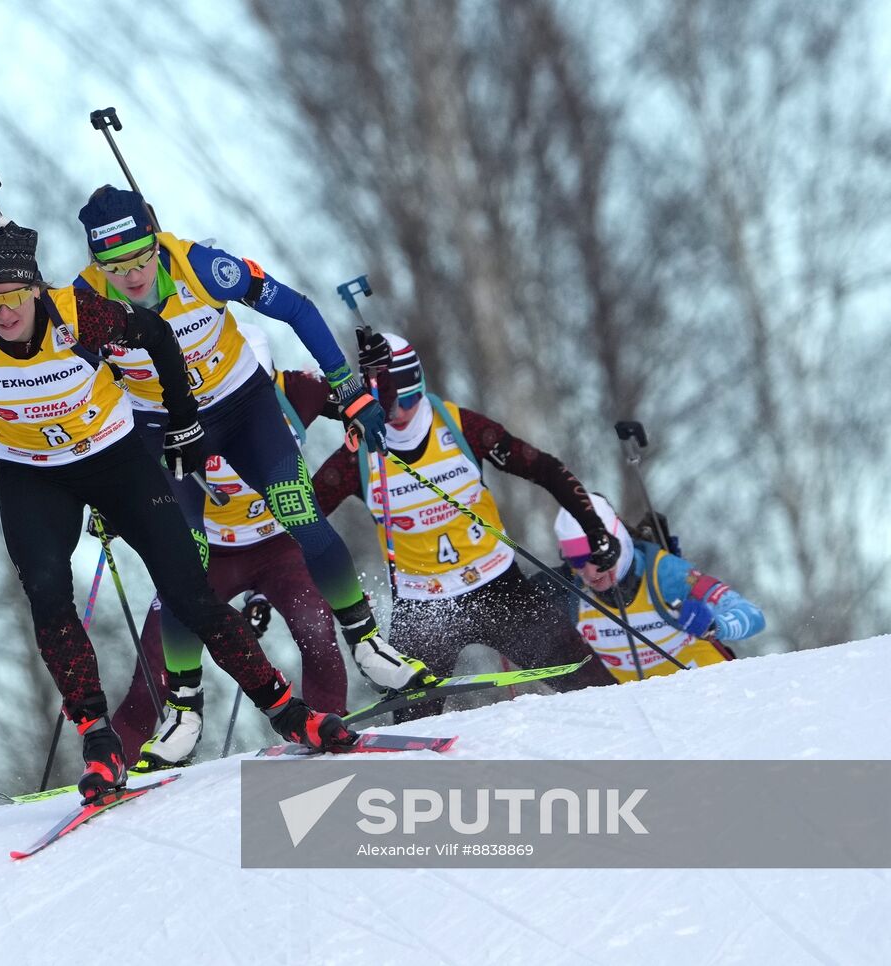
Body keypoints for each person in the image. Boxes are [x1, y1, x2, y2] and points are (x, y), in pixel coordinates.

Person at [0, 220, 354, 803]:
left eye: (14, 297)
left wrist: (182, 422)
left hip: (114, 461)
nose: (3, 313)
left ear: (35, 289)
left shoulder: (78, 314)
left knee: (189, 593)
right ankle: (99, 742)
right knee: (49, 595)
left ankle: (287, 712)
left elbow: (156, 334)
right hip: (31, 476)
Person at [74, 187, 432, 766]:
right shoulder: (83, 305)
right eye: (115, 267)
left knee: (303, 516)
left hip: (243, 410)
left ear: (155, 244)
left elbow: (297, 308)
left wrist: (347, 386)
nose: (133, 276)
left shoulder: (200, 266)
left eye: (141, 259)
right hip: (166, 433)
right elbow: (78, 392)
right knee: (177, 561)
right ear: (96, 265)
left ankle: (368, 645)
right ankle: (185, 712)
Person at [312, 330, 617, 718]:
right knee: (411, 725)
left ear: (419, 384)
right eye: (387, 396)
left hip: (498, 588)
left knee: (594, 686)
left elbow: (544, 468)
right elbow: (305, 514)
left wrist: (594, 529)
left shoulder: (460, 427)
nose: (397, 407)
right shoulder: (357, 455)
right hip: (423, 607)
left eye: (405, 392)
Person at [110, 325, 351, 764]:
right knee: (156, 662)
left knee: (315, 627)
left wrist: (373, 385)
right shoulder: (176, 410)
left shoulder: (295, 391)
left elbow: (360, 395)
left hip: (277, 547)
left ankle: (327, 723)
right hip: (210, 555)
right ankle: (117, 763)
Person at [554, 494, 766, 680]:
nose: (589, 572)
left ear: (617, 541)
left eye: (597, 557)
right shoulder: (570, 587)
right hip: (646, 716)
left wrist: (715, 625)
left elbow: (753, 615)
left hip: (711, 694)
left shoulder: (665, 573)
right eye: (576, 561)